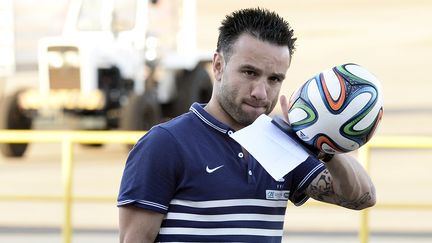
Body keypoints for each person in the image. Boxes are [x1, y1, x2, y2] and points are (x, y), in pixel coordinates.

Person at [117, 7, 376, 243]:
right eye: (250, 73)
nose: (261, 92)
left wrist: (321, 144)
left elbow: (362, 197)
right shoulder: (165, 144)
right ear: (218, 65)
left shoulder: (283, 143)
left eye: (274, 79)